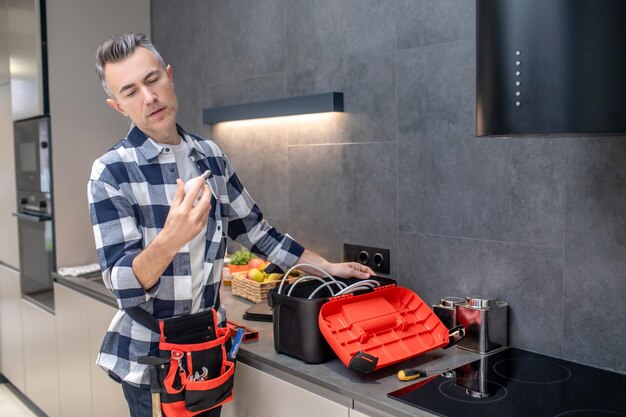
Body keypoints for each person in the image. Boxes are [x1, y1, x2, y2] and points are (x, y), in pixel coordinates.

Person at [88, 32, 374, 417]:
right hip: (151, 359)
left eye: (152, 79)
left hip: (208, 347)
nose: (149, 97)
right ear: (117, 106)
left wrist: (326, 266)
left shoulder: (211, 157)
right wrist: (171, 239)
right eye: (130, 91)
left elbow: (258, 232)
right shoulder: (110, 172)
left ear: (169, 76)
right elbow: (122, 284)